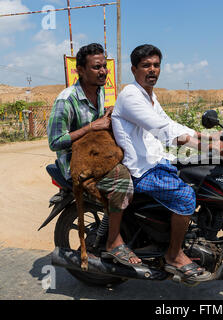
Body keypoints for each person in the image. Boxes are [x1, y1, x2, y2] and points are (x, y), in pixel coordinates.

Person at [111, 44, 223, 281]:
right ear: (134, 69)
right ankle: (173, 254)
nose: (152, 70)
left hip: (157, 161)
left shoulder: (149, 95)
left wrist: (206, 137)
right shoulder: (131, 96)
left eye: (156, 65)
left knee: (199, 176)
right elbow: (161, 129)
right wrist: (208, 146)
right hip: (140, 170)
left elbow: (169, 122)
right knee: (185, 196)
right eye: (146, 65)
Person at [47, 43, 141, 266]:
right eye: (96, 67)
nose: (103, 71)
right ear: (80, 70)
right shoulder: (66, 100)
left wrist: (110, 112)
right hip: (74, 163)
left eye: (104, 67)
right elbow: (55, 142)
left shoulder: (99, 92)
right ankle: (114, 242)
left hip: (97, 155)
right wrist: (91, 127)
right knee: (123, 183)